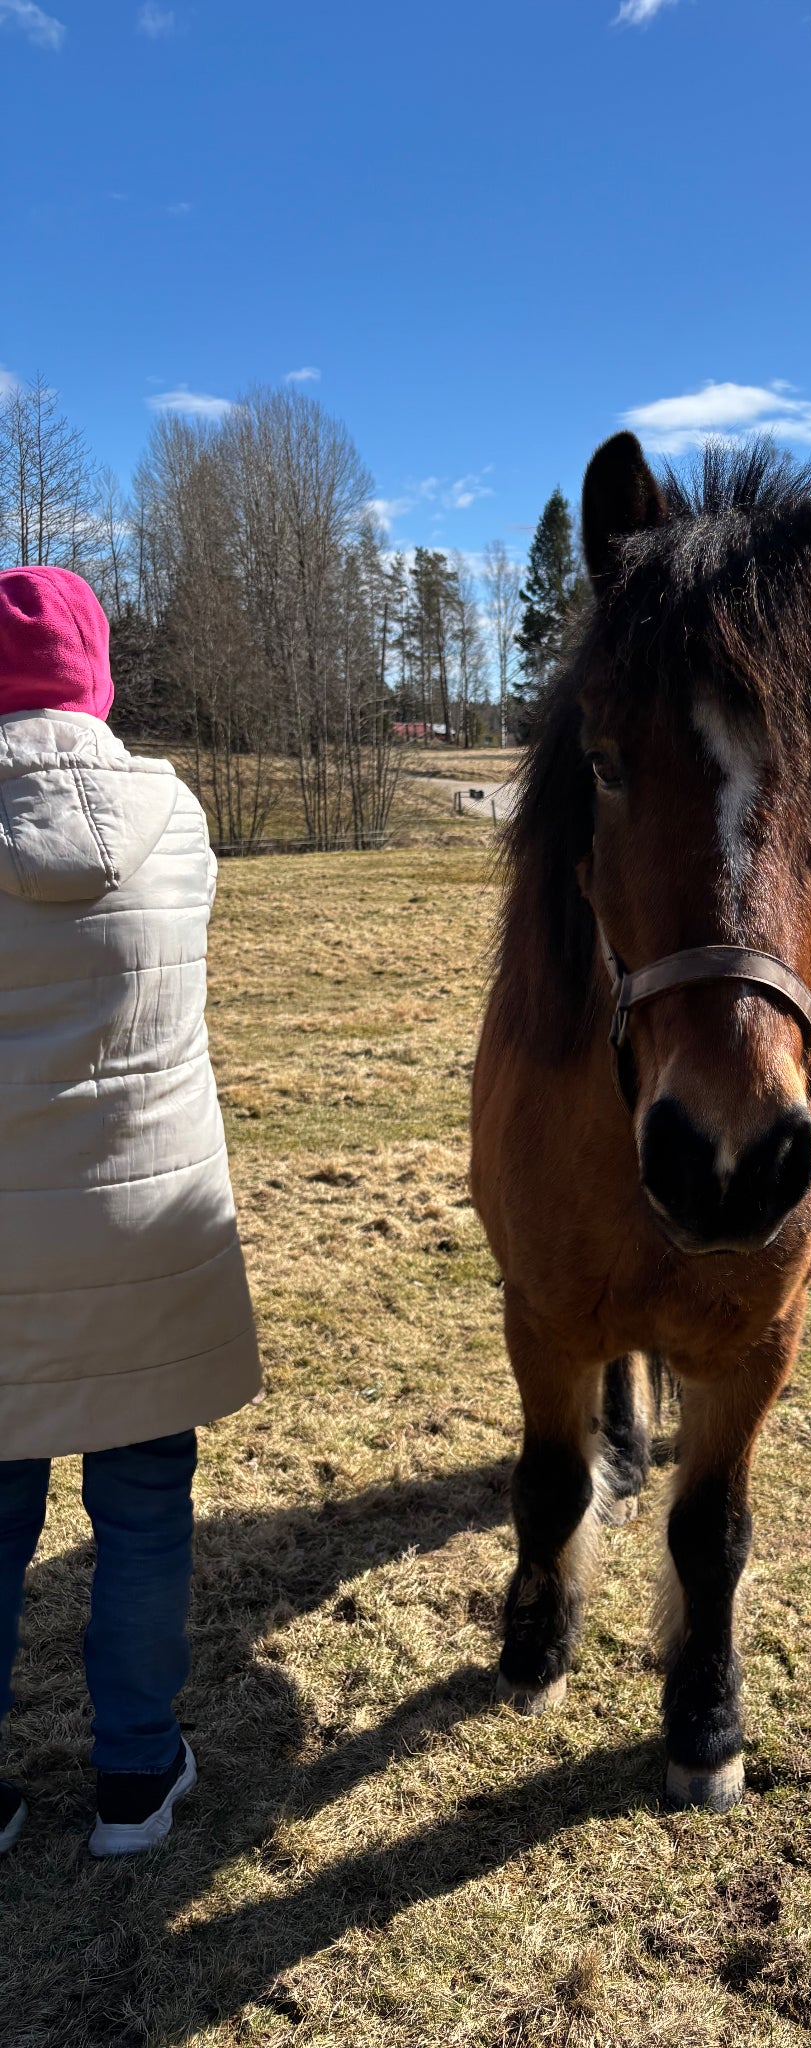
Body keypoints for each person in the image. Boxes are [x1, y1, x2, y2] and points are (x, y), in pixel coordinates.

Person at [0, 566, 261, 1858]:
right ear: (97, 679)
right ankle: (135, 1781)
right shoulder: (177, 820)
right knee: (147, 1516)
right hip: (148, 1234)